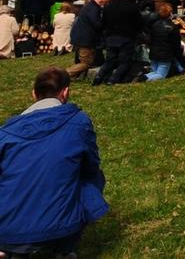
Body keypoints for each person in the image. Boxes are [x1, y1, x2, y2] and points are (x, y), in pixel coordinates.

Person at [0, 68, 108, 255]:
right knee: (92, 177)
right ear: (66, 93)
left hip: (8, 233)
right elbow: (91, 166)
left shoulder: (5, 133)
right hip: (59, 231)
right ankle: (61, 246)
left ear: (34, 94)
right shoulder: (79, 123)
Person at [93, 0, 143, 86]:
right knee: (125, 61)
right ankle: (113, 79)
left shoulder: (108, 7)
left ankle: (99, 76)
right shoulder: (132, 7)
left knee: (110, 60)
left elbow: (103, 23)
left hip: (111, 37)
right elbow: (139, 24)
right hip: (126, 38)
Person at [66, 0, 109, 79]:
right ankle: (64, 74)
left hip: (80, 38)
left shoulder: (89, 7)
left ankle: (73, 75)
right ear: (101, 2)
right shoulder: (93, 9)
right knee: (86, 63)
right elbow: (97, 25)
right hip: (85, 40)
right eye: (106, 3)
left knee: (84, 60)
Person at [145, 2, 185, 80]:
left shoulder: (154, 25)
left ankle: (181, 69)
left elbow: (150, 40)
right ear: (170, 14)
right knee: (161, 75)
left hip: (153, 54)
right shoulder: (173, 27)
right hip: (164, 56)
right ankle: (141, 78)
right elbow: (176, 46)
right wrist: (183, 60)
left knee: (154, 72)